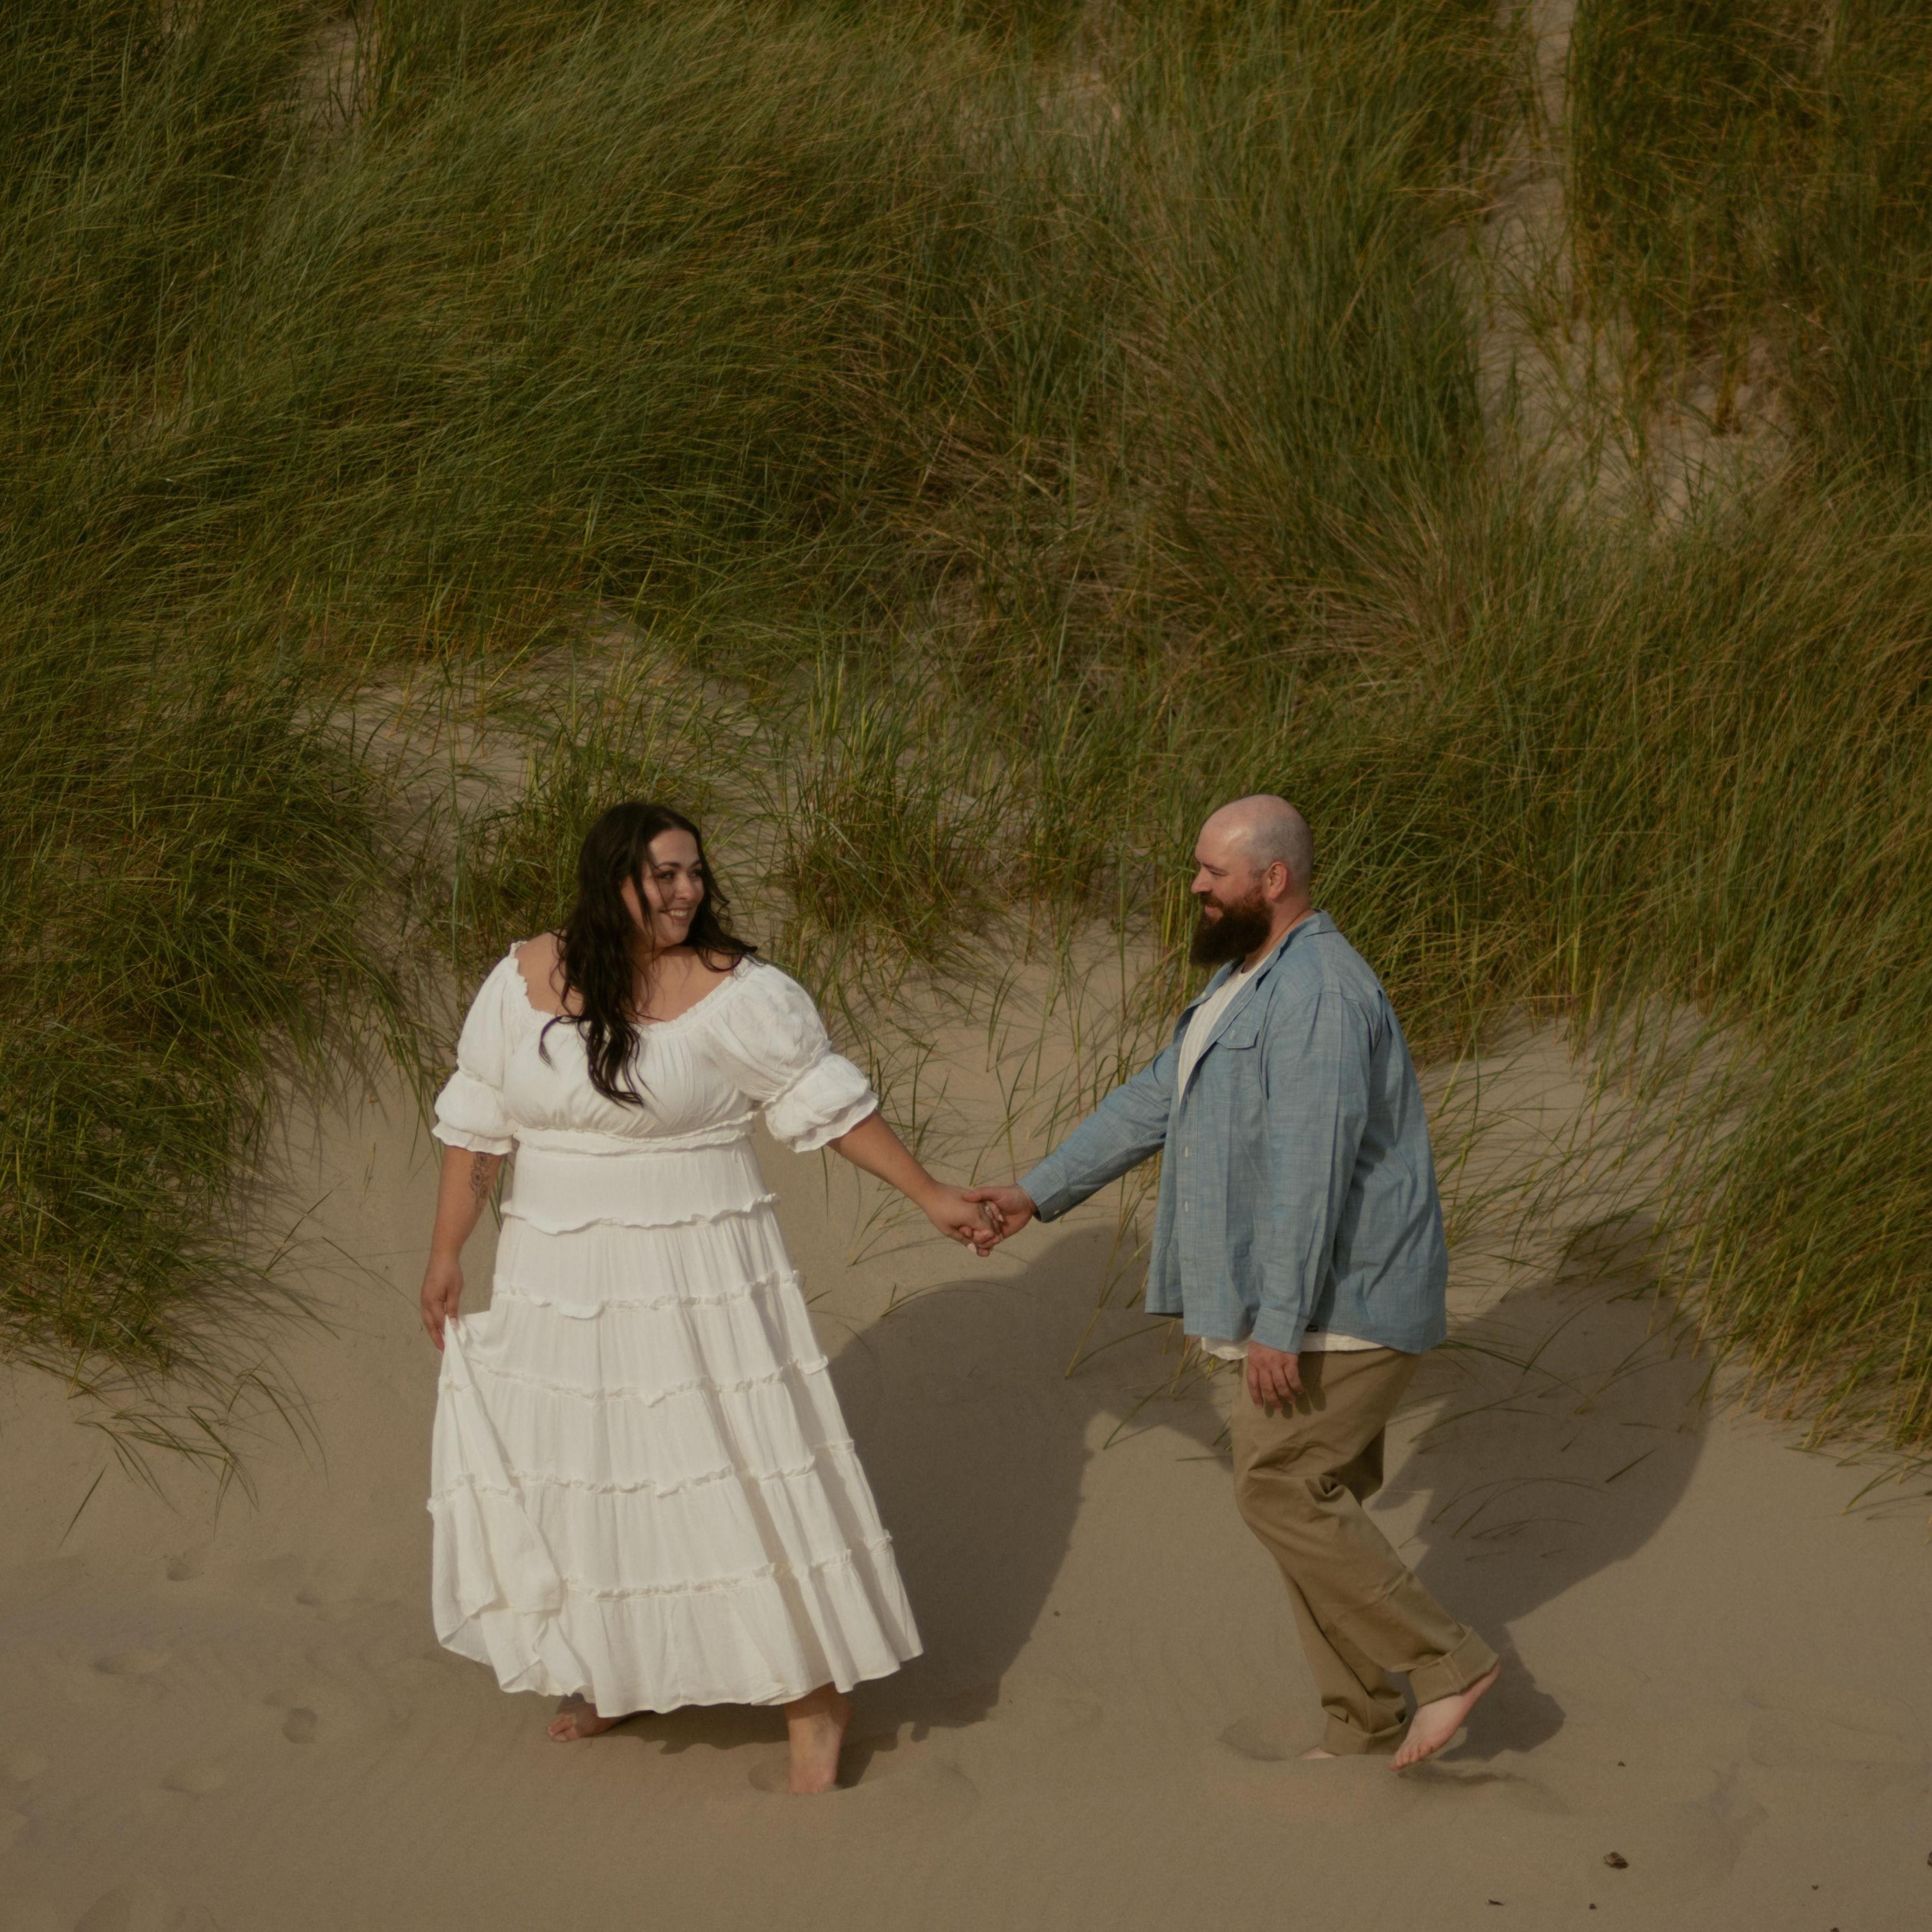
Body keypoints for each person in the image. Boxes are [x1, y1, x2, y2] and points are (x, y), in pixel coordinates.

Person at [418, 800, 994, 1795]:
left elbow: (827, 1106)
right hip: (560, 1275)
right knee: (592, 1469)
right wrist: (445, 1252)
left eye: (695, 872)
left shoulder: (739, 991)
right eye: (665, 875)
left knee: (731, 1465)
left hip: (698, 1273)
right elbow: (480, 1129)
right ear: (613, 880)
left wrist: (931, 1194)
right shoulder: (523, 977)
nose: (687, 891)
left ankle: (814, 1698)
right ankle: (617, 1667)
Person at [968, 795, 1500, 1768]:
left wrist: (1278, 1321)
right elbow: (1153, 1099)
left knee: (1279, 1488)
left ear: (1274, 878)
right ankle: (1360, 1722)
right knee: (1307, 1505)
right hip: (1303, 1303)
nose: (1197, 887)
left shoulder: (1320, 993)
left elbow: (1312, 1168)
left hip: (1341, 1303)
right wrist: (1036, 1193)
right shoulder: (1248, 979)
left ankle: (1447, 1664)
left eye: (1213, 872)